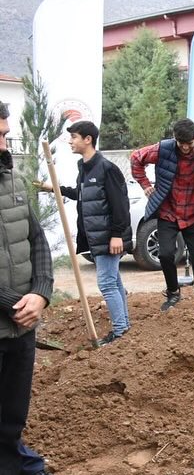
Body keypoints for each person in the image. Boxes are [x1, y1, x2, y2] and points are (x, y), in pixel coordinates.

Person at [0, 101, 59, 475]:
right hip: (8, 318)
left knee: (9, 423)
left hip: (21, 329)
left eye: (6, 134)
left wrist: (40, 292)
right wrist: (12, 305)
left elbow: (38, 242)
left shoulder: (13, 183)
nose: (5, 143)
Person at [37, 120, 132, 344]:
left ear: (87, 139)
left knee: (107, 284)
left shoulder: (107, 168)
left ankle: (119, 332)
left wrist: (117, 234)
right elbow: (82, 194)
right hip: (96, 237)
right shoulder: (84, 167)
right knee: (114, 281)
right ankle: (124, 327)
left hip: (108, 237)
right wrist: (54, 189)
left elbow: (120, 205)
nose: (71, 141)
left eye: (74, 137)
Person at [130, 118, 194, 311]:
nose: (186, 148)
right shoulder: (162, 149)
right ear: (175, 139)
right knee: (165, 254)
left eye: (189, 143)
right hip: (168, 213)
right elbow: (136, 158)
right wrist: (146, 185)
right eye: (181, 144)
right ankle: (173, 292)